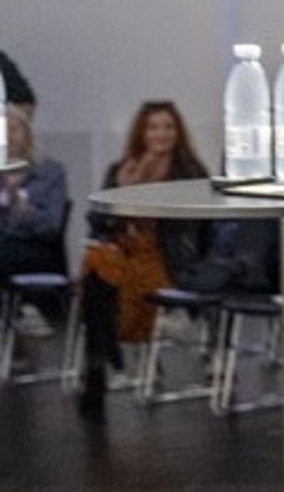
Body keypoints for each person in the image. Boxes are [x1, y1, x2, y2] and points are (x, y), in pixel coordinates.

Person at [75, 101, 211, 419]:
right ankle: (101, 361)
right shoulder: (121, 170)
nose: (161, 134)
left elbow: (197, 233)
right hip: (123, 257)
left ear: (178, 133)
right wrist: (125, 190)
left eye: (168, 127)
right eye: (153, 127)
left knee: (100, 270)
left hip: (170, 263)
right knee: (98, 264)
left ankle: (100, 362)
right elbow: (97, 224)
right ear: (142, 133)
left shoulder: (191, 174)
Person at [0, 108, 69, 283]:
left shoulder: (50, 172)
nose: (8, 137)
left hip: (36, 249)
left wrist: (21, 207)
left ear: (27, 134)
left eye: (14, 130)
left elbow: (51, 226)